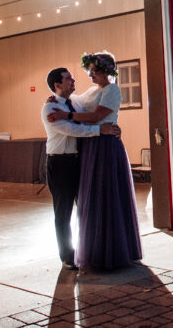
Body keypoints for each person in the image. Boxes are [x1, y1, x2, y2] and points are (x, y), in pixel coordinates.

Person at [67, 51, 142, 271]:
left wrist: (66, 116)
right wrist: (58, 99)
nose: (91, 75)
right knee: (92, 196)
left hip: (106, 145)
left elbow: (96, 116)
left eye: (94, 71)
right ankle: (95, 249)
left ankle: (113, 250)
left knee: (106, 194)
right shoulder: (92, 91)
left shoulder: (113, 90)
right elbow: (74, 101)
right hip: (90, 145)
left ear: (107, 71)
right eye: (89, 71)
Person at [41, 66, 121, 271]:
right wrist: (100, 130)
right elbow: (72, 129)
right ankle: (67, 256)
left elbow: (95, 112)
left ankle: (87, 249)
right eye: (68, 79)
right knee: (63, 211)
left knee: (85, 206)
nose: (74, 80)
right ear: (57, 85)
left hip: (78, 160)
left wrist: (111, 124)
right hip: (60, 163)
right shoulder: (50, 109)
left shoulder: (74, 102)